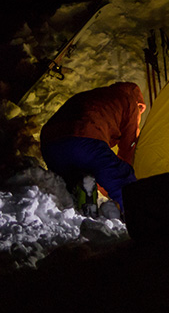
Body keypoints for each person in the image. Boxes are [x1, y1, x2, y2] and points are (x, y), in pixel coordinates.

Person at [38, 81, 144, 215]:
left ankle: (82, 200)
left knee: (72, 181)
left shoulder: (96, 95)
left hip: (50, 144)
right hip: (84, 137)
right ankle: (140, 215)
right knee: (120, 175)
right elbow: (129, 147)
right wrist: (127, 180)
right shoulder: (129, 101)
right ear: (138, 103)